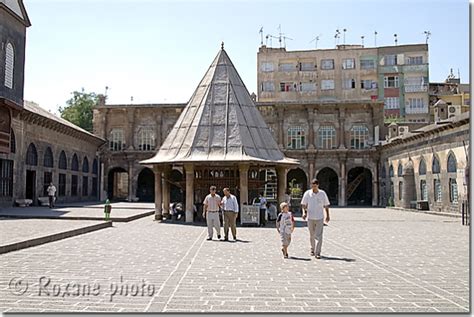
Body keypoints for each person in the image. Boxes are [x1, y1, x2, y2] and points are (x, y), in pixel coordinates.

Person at [301, 179, 330, 259]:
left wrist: (327, 215)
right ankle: (312, 249)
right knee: (312, 234)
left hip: (320, 217)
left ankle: (318, 252)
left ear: (318, 185)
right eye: (312, 186)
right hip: (310, 217)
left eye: (315, 186)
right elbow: (303, 204)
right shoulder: (308, 193)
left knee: (319, 235)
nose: (314, 187)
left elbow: (326, 205)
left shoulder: (322, 193)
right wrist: (304, 213)